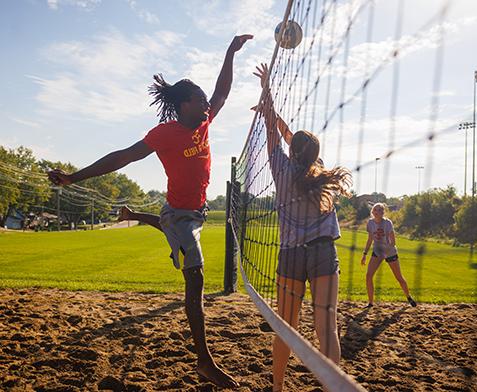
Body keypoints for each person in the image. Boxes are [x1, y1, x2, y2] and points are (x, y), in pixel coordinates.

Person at [48, 34, 253, 389]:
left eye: (206, 102)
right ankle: (205, 362)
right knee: (197, 276)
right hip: (179, 215)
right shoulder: (164, 133)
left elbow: (222, 92)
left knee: (182, 242)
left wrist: (229, 53)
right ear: (184, 104)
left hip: (197, 212)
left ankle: (140, 218)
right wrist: (72, 177)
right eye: (200, 100)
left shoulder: (202, 123)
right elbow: (122, 156)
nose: (208, 105)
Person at [253, 63, 352, 392]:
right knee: (327, 329)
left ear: (292, 150)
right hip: (323, 253)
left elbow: (276, 134)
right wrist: (270, 109)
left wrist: (267, 97)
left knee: (287, 328)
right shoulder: (322, 177)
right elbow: (290, 138)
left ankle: (278, 387)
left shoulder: (280, 168)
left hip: (291, 255)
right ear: (316, 154)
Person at [361, 203, 417, 308]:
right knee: (369, 275)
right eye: (376, 210)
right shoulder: (370, 223)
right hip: (377, 251)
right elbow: (370, 239)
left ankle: (409, 297)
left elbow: (393, 242)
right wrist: (364, 254)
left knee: (399, 277)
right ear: (373, 212)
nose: (378, 212)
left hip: (390, 251)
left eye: (381, 210)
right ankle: (370, 303)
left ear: (383, 212)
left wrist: (385, 252)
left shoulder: (388, 223)